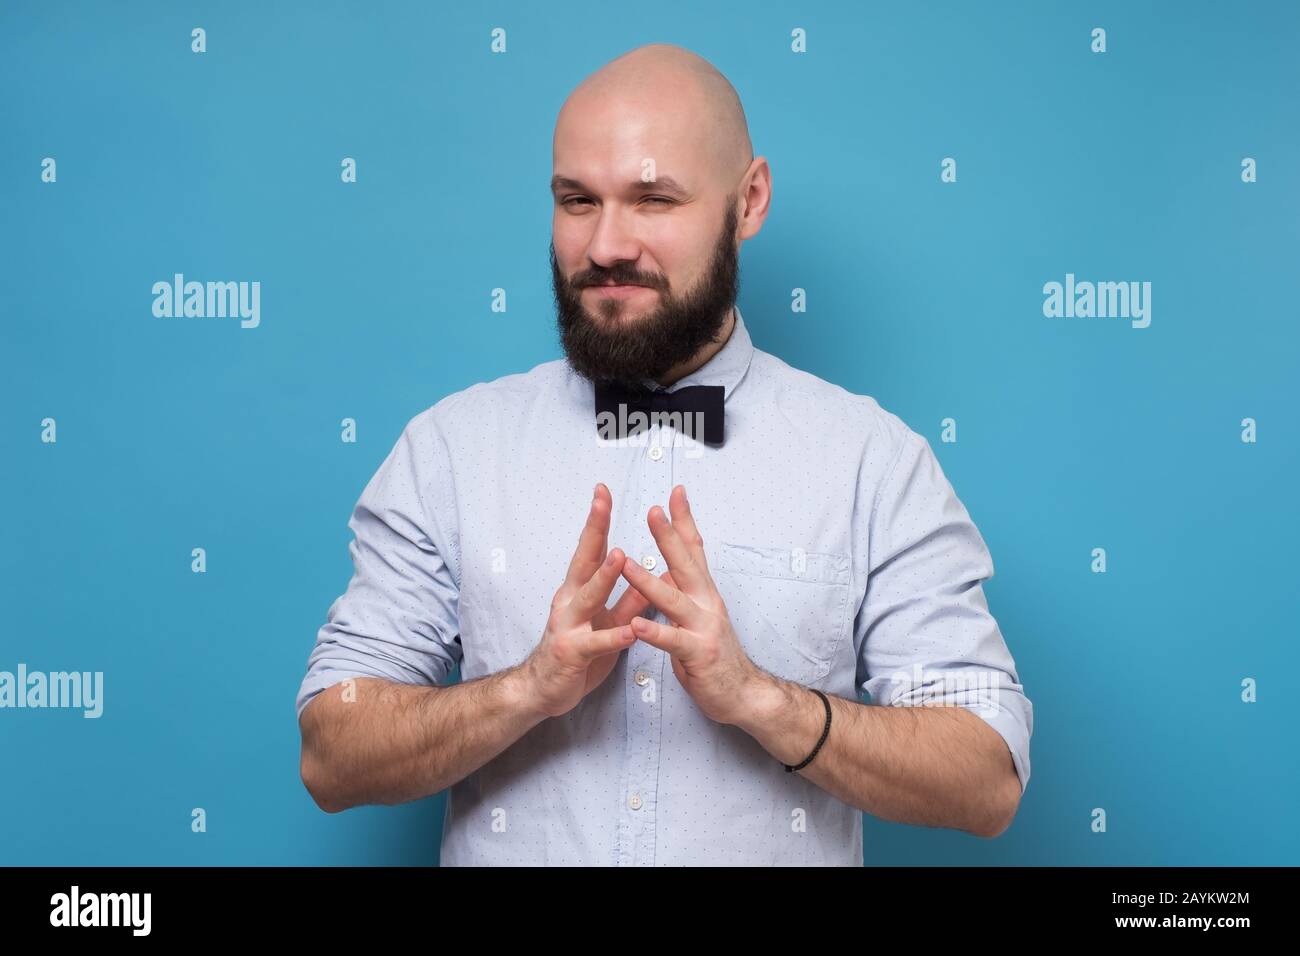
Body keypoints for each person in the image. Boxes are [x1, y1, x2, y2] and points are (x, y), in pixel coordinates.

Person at [296, 42, 1032, 866]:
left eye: (652, 199)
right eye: (578, 200)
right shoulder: (450, 450)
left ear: (748, 201)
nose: (608, 244)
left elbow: (987, 772)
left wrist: (763, 700)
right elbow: (333, 747)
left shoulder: (873, 461)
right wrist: (526, 689)